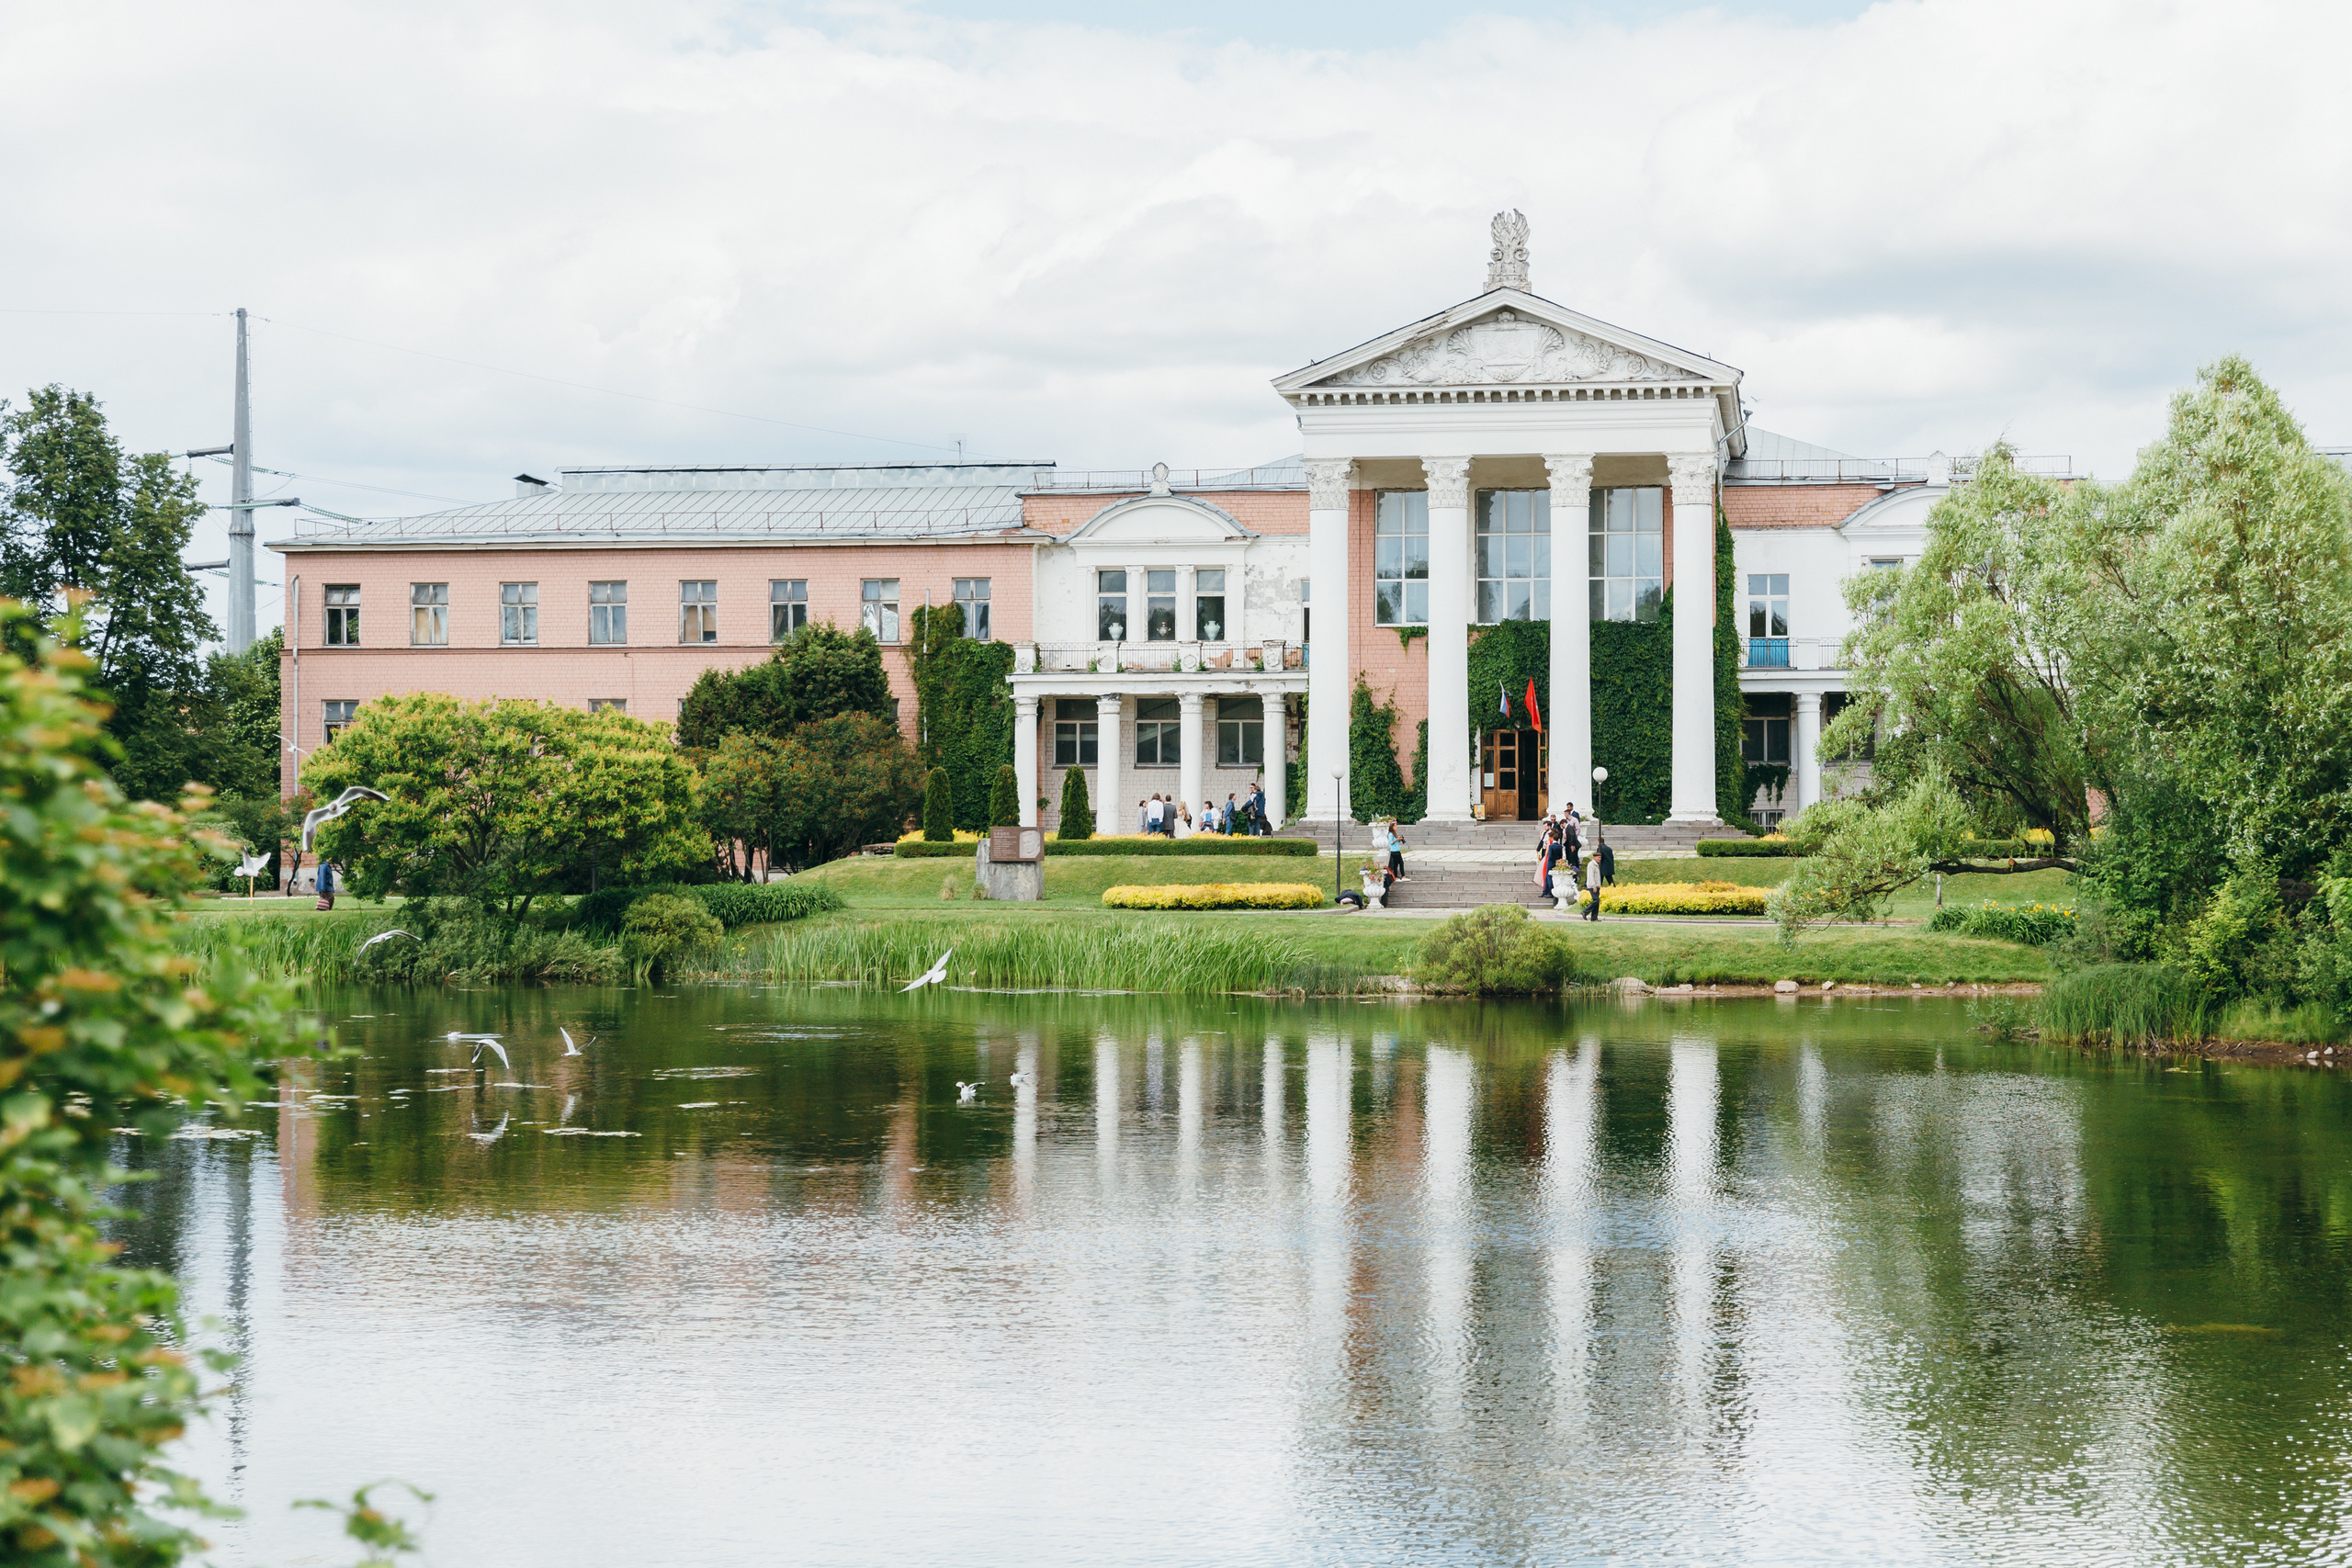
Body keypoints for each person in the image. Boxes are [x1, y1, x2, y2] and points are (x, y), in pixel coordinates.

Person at [1582, 846, 1603, 920]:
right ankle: (1585, 911)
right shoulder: (1591, 865)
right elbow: (1591, 876)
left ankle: (1594, 918)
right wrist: (1594, 886)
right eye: (1598, 857)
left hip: (1596, 886)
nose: (1599, 859)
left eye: (1600, 857)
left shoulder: (1596, 865)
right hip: (1592, 886)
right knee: (1596, 900)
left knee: (1597, 902)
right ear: (1594, 857)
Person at [1385, 817, 1408, 881]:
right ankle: (1398, 876)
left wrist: (1399, 840)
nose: (1396, 827)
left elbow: (1395, 841)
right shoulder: (1390, 834)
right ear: (1392, 827)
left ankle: (1402, 876)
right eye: (1395, 826)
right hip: (1394, 851)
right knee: (1397, 864)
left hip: (1397, 850)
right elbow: (1391, 842)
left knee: (1400, 863)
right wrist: (1397, 839)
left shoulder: (1394, 834)